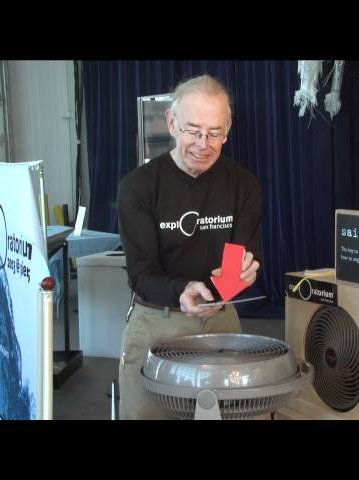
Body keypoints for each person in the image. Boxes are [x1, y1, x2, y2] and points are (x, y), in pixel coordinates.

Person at [117, 74, 262, 420]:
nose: (203, 143)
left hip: (221, 321)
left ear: (228, 130)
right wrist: (182, 291)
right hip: (156, 321)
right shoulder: (139, 187)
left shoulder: (244, 185)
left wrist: (243, 275)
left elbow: (237, 265)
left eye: (215, 133)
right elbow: (140, 274)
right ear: (171, 122)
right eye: (192, 130)